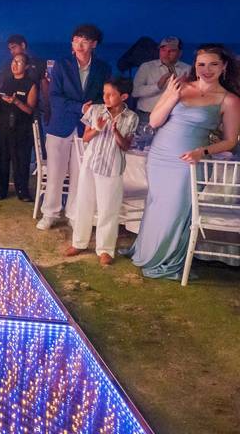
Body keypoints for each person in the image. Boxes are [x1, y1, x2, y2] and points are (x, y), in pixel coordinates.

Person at [130, 44, 240, 280]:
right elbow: (155, 121)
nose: (206, 69)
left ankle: (166, 260)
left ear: (224, 67)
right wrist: (170, 96)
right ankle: (146, 252)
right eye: (201, 64)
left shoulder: (229, 100)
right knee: (157, 205)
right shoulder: (180, 86)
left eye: (213, 64)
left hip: (189, 162)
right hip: (159, 156)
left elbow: (230, 141)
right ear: (195, 65)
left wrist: (204, 151)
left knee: (176, 212)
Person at [37, 24, 111, 230]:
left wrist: (93, 109)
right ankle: (49, 213)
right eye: (76, 39)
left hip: (85, 128)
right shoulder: (61, 65)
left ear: (94, 44)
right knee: (54, 173)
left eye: (85, 40)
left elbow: (103, 98)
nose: (79, 44)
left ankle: (73, 213)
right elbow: (54, 96)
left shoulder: (103, 68)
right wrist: (80, 107)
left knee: (80, 174)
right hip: (60, 125)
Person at [65, 77, 138, 265]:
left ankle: (105, 249)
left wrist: (115, 132)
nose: (105, 97)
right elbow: (86, 137)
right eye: (104, 93)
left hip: (112, 165)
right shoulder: (96, 110)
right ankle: (79, 242)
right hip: (91, 163)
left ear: (123, 96)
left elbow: (126, 146)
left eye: (111, 94)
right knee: (84, 202)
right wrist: (97, 128)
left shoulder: (131, 117)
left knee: (108, 208)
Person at [0, 53, 37, 201]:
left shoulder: (31, 84)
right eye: (13, 61)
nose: (14, 64)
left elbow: (30, 109)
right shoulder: (6, 81)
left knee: (21, 161)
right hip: (3, 125)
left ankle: (22, 192)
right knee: (1, 159)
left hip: (21, 128)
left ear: (26, 66)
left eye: (19, 62)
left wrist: (16, 102)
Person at [131, 36, 191, 125]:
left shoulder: (188, 69)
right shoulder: (146, 67)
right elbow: (135, 92)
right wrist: (157, 86)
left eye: (171, 51)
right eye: (163, 50)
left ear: (180, 53)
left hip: (174, 117)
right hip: (146, 116)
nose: (166, 54)